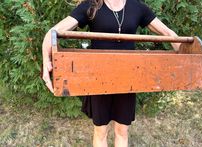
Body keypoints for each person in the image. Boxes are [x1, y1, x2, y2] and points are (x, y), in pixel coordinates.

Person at [42, 0, 181, 146]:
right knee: (101, 131)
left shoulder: (137, 7)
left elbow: (168, 33)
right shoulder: (91, 6)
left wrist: (189, 57)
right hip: (98, 81)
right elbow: (52, 33)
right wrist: (46, 60)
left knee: (122, 130)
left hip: (128, 81)